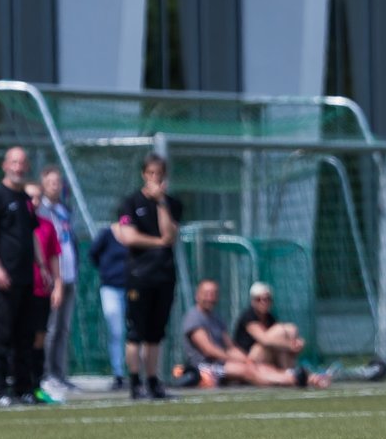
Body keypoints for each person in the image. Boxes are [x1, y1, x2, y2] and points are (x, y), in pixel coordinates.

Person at [113, 153, 183, 400]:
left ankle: (153, 381)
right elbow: (129, 236)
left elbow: (170, 235)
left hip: (164, 275)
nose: (156, 178)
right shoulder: (130, 202)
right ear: (144, 174)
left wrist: (161, 203)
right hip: (139, 275)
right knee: (136, 332)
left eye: (160, 173)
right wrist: (158, 242)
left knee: (156, 332)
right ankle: (134, 382)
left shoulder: (171, 203)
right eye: (151, 173)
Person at [0, 147, 43, 406]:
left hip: (26, 278)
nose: (18, 167)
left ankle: (23, 387)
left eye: (22, 163)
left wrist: (44, 268)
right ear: (5, 165)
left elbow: (33, 235)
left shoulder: (27, 199)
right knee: (1, 335)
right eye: (14, 162)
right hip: (4, 278)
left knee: (24, 336)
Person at [179, 279, 330, 389]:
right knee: (248, 370)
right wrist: (240, 361)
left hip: (221, 362)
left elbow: (230, 346)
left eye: (213, 294)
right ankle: (292, 380)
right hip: (204, 367)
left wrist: (245, 359)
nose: (210, 297)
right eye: (206, 293)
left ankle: (299, 377)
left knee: (260, 367)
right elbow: (208, 350)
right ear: (197, 295)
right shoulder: (194, 317)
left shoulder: (216, 318)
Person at [36, 166, 78, 391]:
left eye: (58, 182)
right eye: (51, 182)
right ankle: (45, 373)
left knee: (63, 328)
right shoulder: (40, 210)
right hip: (53, 278)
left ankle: (59, 373)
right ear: (43, 185)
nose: (55, 186)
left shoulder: (64, 210)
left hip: (70, 274)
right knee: (50, 329)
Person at [25, 182, 65, 404]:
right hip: (20, 289)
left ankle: (36, 384)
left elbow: (53, 257)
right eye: (30, 197)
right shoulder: (15, 224)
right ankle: (17, 384)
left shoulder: (47, 226)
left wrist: (58, 284)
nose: (34, 202)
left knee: (40, 337)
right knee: (19, 338)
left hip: (41, 289)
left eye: (38, 197)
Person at [232, 282, 305, 373]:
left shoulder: (270, 318)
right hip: (248, 357)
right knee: (282, 332)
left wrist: (297, 343)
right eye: (259, 299)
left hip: (264, 355)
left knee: (291, 329)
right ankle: (289, 373)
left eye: (267, 299)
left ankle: (290, 372)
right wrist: (290, 345)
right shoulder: (248, 316)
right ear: (253, 301)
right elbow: (265, 340)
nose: (263, 302)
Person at [89, 224, 129, 390]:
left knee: (135, 331)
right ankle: (118, 373)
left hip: (132, 288)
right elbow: (93, 254)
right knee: (116, 330)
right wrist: (107, 270)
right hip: (111, 287)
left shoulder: (137, 233)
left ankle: (139, 373)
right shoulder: (107, 234)